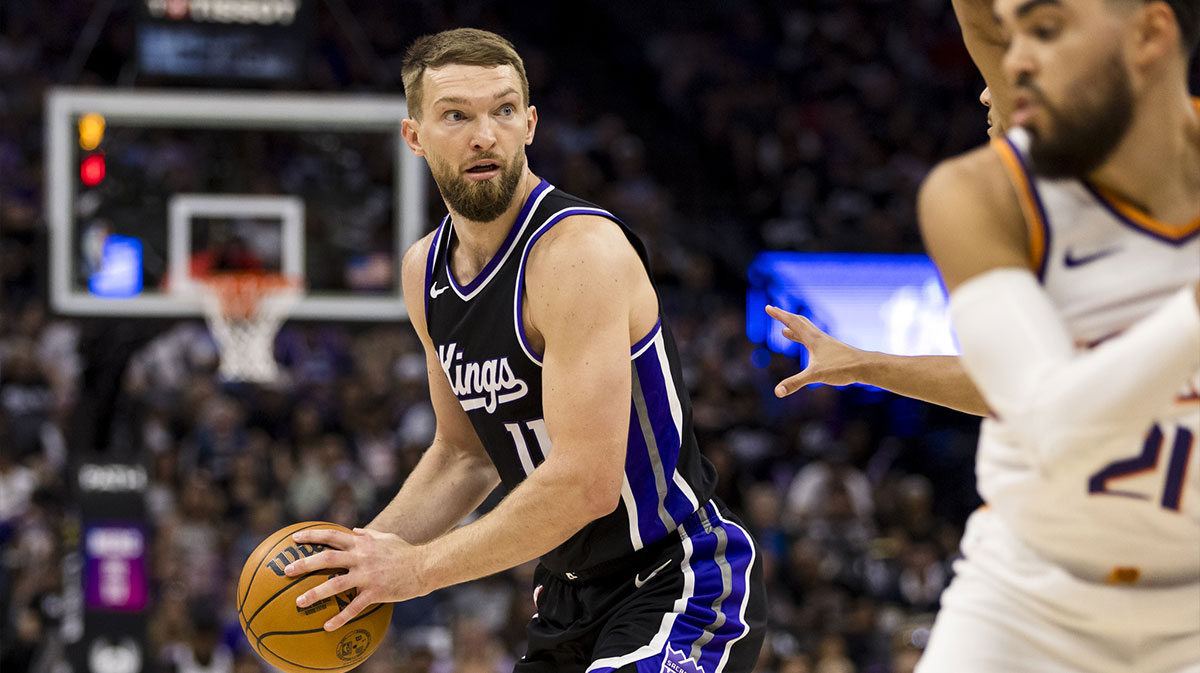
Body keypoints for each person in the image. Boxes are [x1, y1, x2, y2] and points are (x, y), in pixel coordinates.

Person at [280, 28, 766, 673]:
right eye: (456, 115)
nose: (485, 135)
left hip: (677, 579)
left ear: (530, 124)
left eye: (503, 110)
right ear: (414, 137)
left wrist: (414, 569)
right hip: (566, 597)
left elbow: (586, 485)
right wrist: (361, 558)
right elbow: (464, 454)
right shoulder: (424, 271)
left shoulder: (577, 253)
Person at [918, 0, 1200, 671]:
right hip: (1025, 604)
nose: (1015, 61)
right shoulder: (979, 194)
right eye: (1010, 35)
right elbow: (1055, 426)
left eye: (1045, 31)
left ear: (1150, 33)